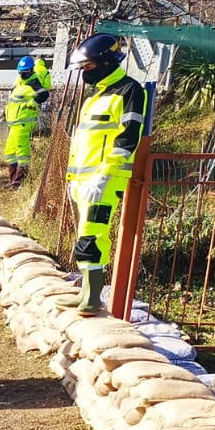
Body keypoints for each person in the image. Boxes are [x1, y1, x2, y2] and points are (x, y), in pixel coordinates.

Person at [61, 33, 147, 317]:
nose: (85, 73)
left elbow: (127, 138)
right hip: (82, 182)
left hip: (104, 181)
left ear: (107, 62)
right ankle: (85, 292)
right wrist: (73, 179)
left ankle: (93, 297)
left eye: (88, 67)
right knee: (83, 236)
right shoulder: (96, 96)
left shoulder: (129, 91)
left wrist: (103, 176)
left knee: (92, 237)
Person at [2, 55, 50, 188]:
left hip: (23, 124)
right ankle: (12, 180)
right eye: (21, 72)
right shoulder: (20, 83)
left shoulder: (33, 83)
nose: (23, 74)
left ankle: (19, 182)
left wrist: (32, 103)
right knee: (10, 153)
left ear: (32, 70)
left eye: (26, 72)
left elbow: (44, 94)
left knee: (22, 153)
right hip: (14, 124)